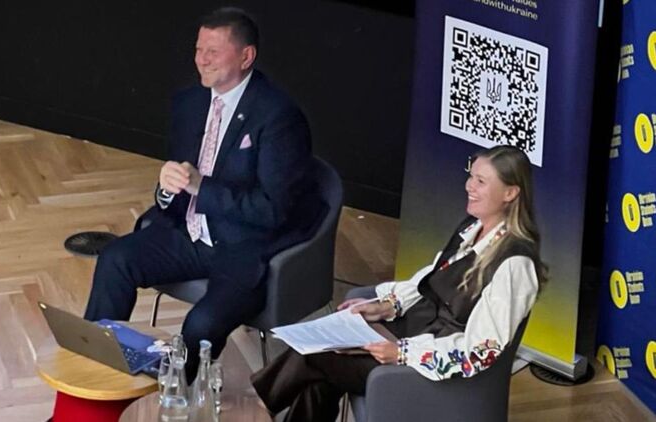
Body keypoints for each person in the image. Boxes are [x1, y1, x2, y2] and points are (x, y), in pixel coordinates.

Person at [83, 7, 322, 381]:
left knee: (200, 325)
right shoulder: (189, 103)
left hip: (244, 250)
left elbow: (273, 210)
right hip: (189, 233)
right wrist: (166, 189)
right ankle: (92, 374)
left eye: (213, 51)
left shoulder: (278, 117)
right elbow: (180, 182)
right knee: (115, 259)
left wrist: (201, 187)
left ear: (246, 56)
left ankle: (176, 393)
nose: (201, 60)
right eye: (198, 49)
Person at [251, 145, 547, 421]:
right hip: (409, 333)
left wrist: (402, 353)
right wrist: (386, 306)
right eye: (471, 177)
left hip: (427, 364)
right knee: (318, 376)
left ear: (510, 193)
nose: (469, 186)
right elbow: (431, 277)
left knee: (311, 357)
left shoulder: (514, 265)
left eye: (481, 181)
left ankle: (246, 409)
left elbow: (482, 350)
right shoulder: (474, 227)